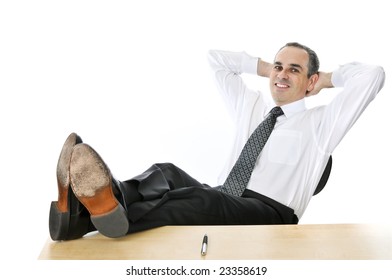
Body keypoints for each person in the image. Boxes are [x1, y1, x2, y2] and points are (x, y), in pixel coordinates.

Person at [49, 42, 385, 240]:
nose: (282, 74)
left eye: (294, 70)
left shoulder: (322, 124)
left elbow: (373, 76)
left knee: (200, 199)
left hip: (272, 214)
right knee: (166, 173)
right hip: (227, 197)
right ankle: (95, 208)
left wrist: (324, 79)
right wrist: (270, 68)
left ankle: (115, 218)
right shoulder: (251, 108)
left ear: (309, 80)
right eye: (279, 67)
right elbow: (217, 60)